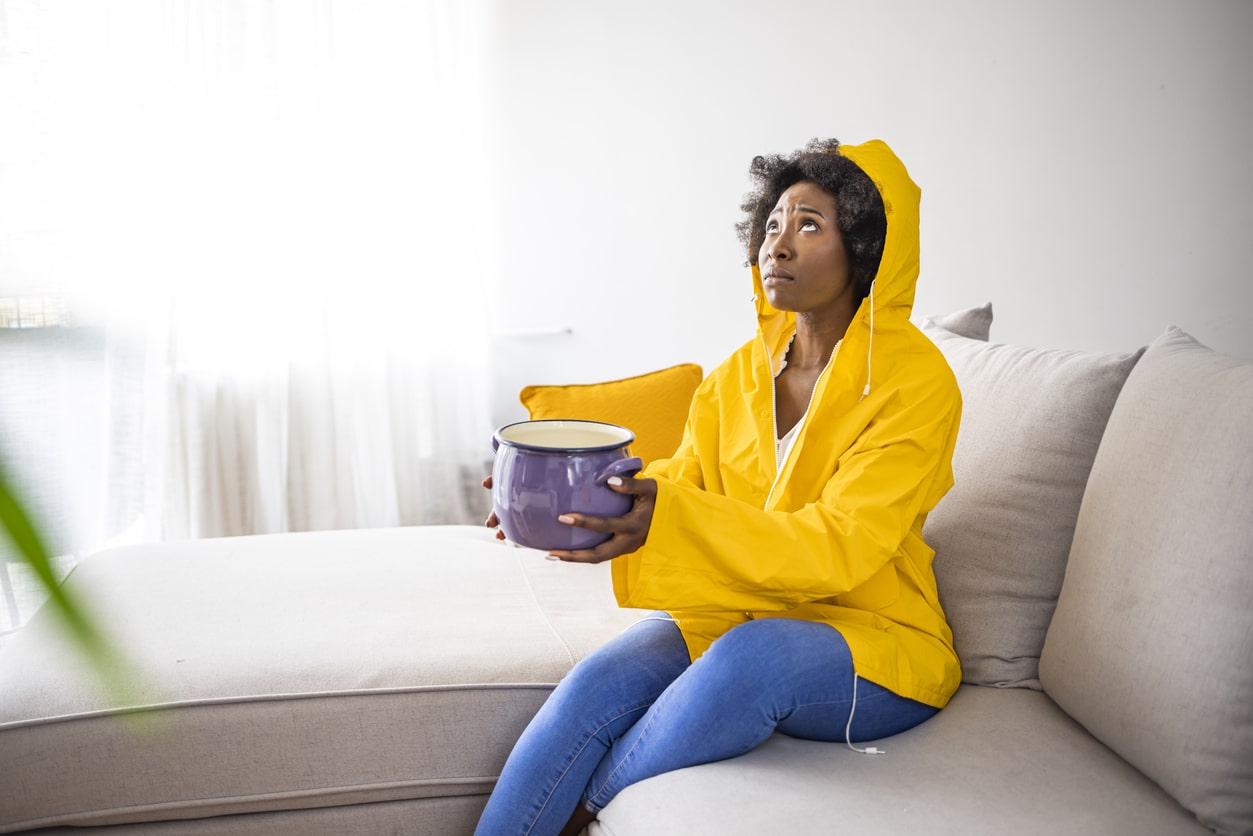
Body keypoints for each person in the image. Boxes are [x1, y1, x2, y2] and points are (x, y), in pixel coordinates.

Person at [476, 138, 962, 836]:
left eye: (809, 226)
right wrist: (569, 502)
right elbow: (684, 481)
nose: (777, 245)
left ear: (865, 247)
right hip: (741, 611)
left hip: (875, 642)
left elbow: (843, 545)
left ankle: (585, 817)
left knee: (753, 658)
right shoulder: (736, 376)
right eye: (772, 224)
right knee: (595, 686)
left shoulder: (917, 383)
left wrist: (666, 515)